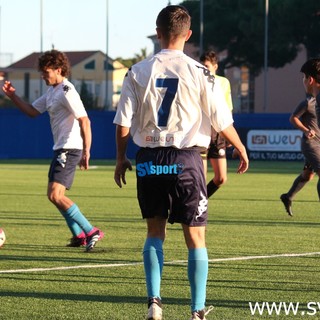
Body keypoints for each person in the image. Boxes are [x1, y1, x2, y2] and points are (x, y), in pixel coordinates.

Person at [113, 5, 249, 320]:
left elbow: (122, 123)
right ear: (187, 36)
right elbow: (221, 120)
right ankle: (197, 310)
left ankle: (154, 304)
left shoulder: (137, 71)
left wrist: (121, 158)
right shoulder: (202, 72)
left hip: (149, 159)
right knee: (196, 237)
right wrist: (240, 147)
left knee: (154, 233)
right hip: (187, 159)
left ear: (158, 33)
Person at [2, 49, 104, 252]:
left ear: (58, 70)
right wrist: (13, 96)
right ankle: (79, 236)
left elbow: (85, 120)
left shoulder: (67, 91)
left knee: (56, 195)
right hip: (61, 149)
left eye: (46, 72)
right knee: (53, 196)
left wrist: (87, 150)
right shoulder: (52, 92)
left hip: (69, 148)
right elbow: (32, 111)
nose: (42, 76)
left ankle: (90, 231)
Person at [200, 50, 234, 197]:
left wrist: (230, 134)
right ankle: (196, 207)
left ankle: (199, 201)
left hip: (218, 131)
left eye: (206, 66)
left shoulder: (223, 82)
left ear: (215, 67)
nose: (203, 69)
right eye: (201, 66)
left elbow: (228, 110)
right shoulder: (197, 81)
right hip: (200, 131)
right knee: (200, 178)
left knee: (221, 178)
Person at [280, 96, 320, 216]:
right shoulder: (308, 102)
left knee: (307, 175)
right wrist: (306, 130)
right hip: (311, 144)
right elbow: (293, 118)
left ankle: (288, 197)